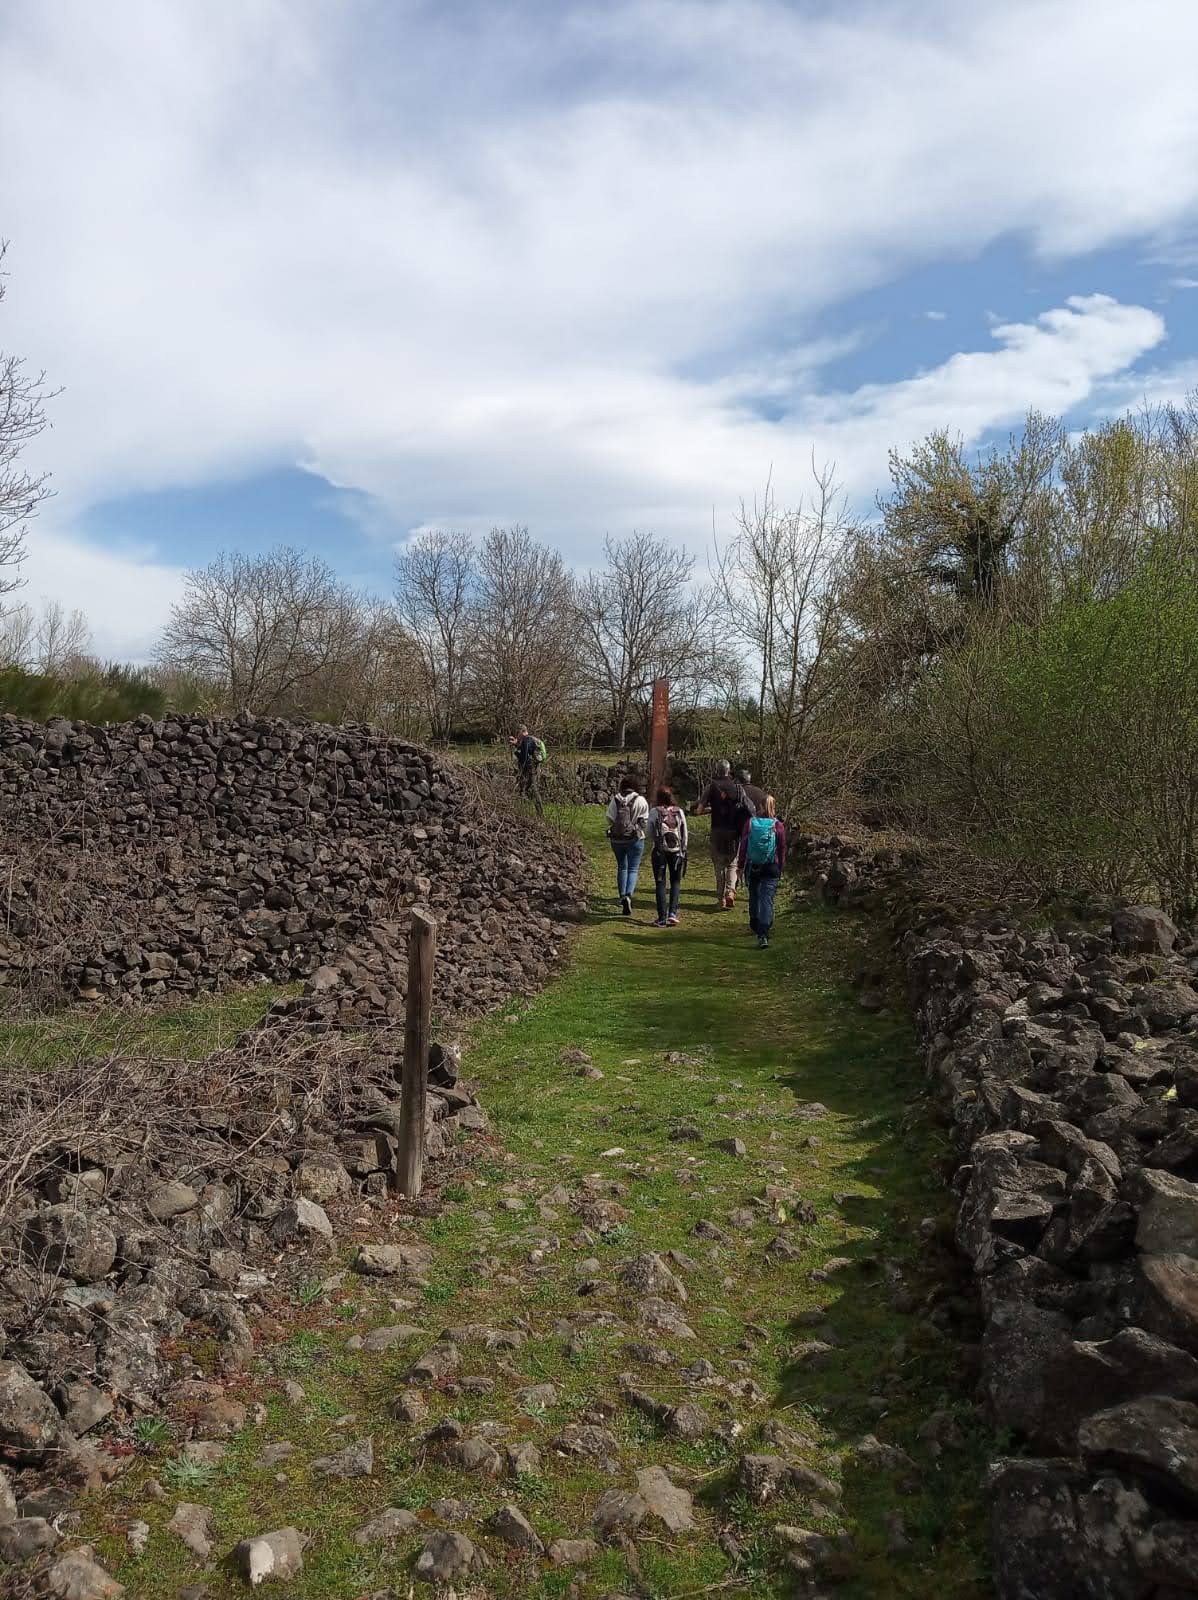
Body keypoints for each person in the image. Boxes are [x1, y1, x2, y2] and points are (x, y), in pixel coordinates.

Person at [696, 759, 754, 909]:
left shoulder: (711, 787)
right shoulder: (738, 788)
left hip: (716, 831)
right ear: (729, 771)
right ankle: (730, 891)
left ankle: (720, 898)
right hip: (733, 831)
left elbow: (699, 811)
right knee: (732, 863)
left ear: (717, 770)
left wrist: (713, 809)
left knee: (719, 865)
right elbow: (748, 807)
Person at [739, 794, 787, 948]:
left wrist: (740, 865)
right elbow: (781, 848)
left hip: (754, 865)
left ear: (760, 807)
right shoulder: (778, 825)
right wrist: (781, 867)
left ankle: (754, 922)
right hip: (771, 866)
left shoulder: (750, 823)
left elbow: (744, 846)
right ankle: (763, 933)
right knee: (767, 898)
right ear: (774, 807)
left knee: (754, 894)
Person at [606, 775, 649, 915]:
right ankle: (628, 895)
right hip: (635, 839)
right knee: (633, 868)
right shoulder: (641, 800)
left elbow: (609, 818)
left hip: (617, 840)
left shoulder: (616, 799)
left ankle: (621, 896)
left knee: (622, 867)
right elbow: (644, 822)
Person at [646, 784, 688, 927]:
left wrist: (655, 843)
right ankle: (672, 913)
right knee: (675, 882)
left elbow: (649, 832)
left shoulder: (654, 812)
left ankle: (661, 918)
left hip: (659, 852)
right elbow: (685, 833)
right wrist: (683, 849)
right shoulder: (679, 812)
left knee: (660, 883)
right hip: (677, 851)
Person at [509, 724, 544, 816]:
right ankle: (533, 812)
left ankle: (533, 812)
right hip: (535, 768)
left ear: (521, 732)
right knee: (528, 789)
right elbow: (528, 752)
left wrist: (516, 752)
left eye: (518, 733)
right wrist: (517, 744)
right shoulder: (531, 739)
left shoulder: (526, 741)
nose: (517, 735)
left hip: (529, 769)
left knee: (528, 789)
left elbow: (524, 758)